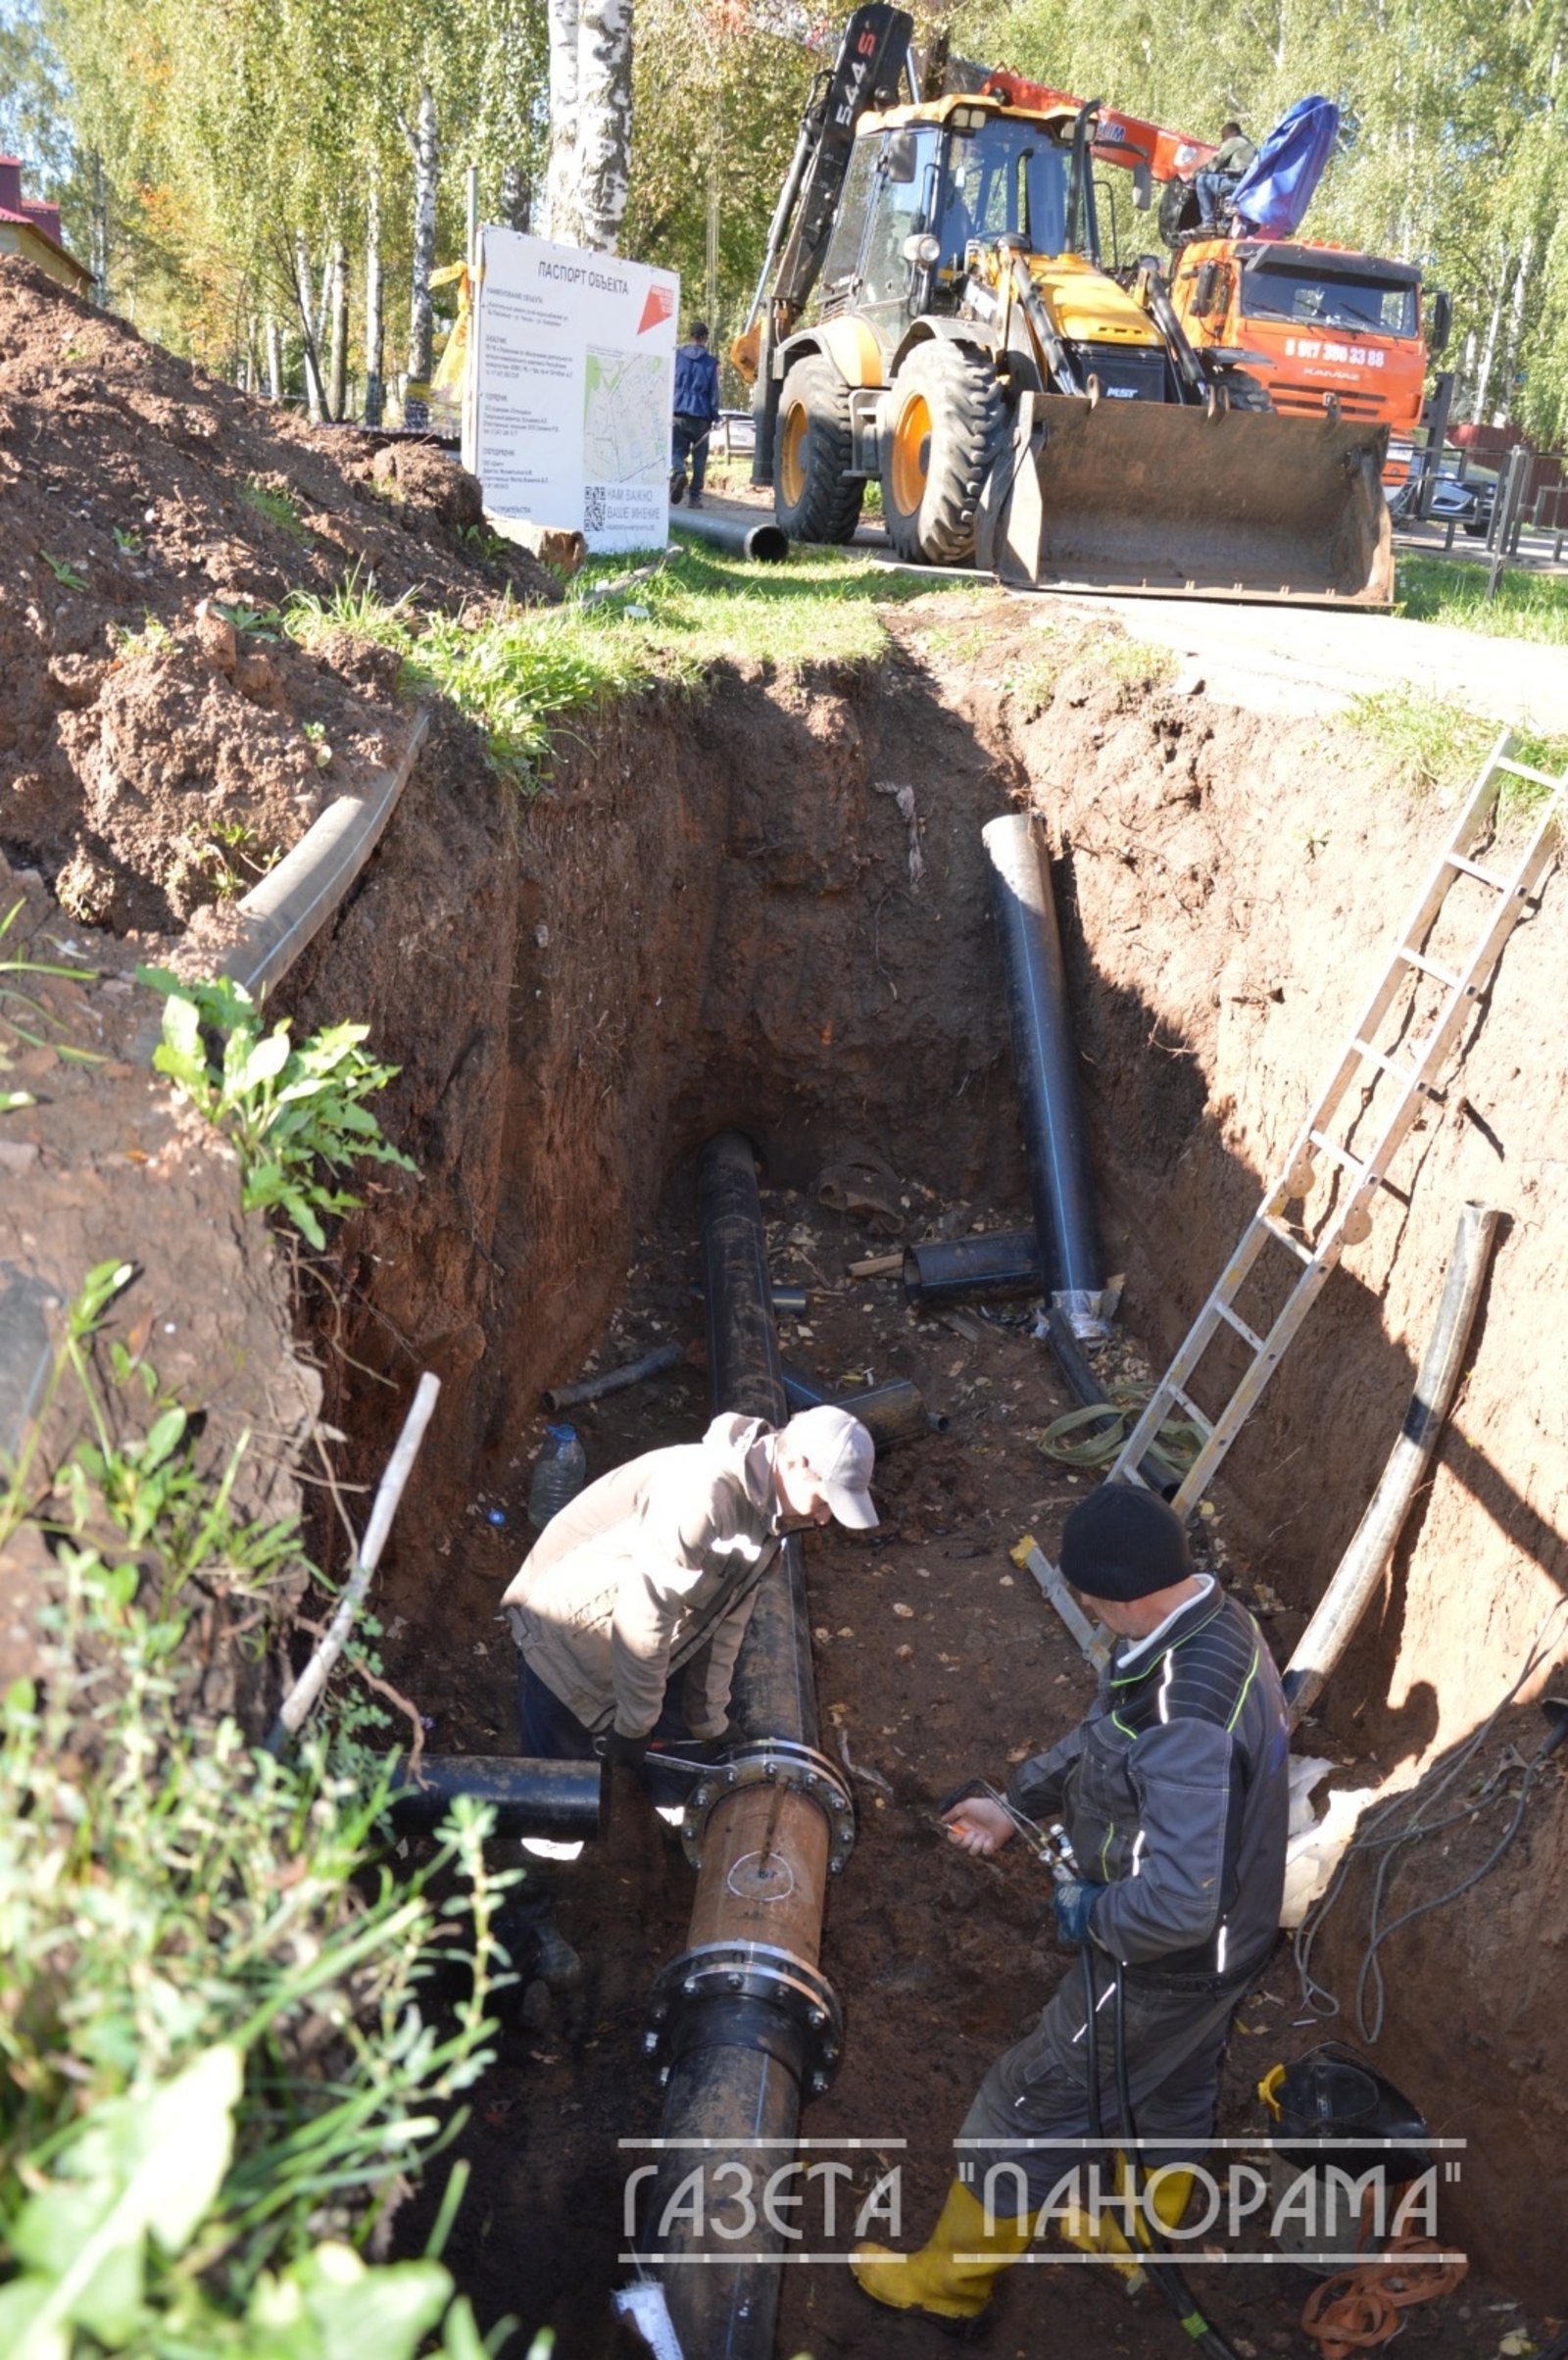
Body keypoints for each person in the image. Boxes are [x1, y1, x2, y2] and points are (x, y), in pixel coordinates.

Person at [852, 1481, 1290, 2331]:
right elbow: (1107, 1738)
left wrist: (1088, 1912)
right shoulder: (1210, 1624)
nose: (1089, 1614)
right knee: (1173, 2085)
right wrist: (1017, 1807)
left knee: (1025, 2105)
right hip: (1239, 1938)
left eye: (1091, 1602)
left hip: (1168, 1963)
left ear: (1120, 1596)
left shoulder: (1183, 1711)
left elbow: (1174, 1906)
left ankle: (946, 2287)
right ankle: (1139, 2226)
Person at [501, 1402, 877, 1987]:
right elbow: (642, 1621)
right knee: (557, 1805)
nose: (827, 1519)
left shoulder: (773, 1520)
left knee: (687, 1761)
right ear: (798, 1463)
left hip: (645, 1640)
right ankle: (528, 1925)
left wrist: (708, 1719)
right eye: (827, 1500)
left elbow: (726, 1622)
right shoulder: (702, 1496)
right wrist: (633, 1724)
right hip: (567, 1635)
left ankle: (689, 1864)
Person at [670, 320, 721, 509]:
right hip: (701, 417)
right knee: (700, 457)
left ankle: (679, 472)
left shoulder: (676, 357)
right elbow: (715, 393)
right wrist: (716, 417)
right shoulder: (711, 363)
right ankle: (694, 498)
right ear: (705, 339)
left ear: (690, 337)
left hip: (678, 412)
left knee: (675, 451)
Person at [1193, 121, 1257, 229]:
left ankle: (1208, 222)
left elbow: (1214, 166)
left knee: (1202, 181)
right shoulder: (1250, 145)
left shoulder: (1234, 141)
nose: (1222, 140)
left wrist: (1195, 174)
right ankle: (1226, 223)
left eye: (1223, 135)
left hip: (1236, 184)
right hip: (1250, 187)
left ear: (1233, 131)